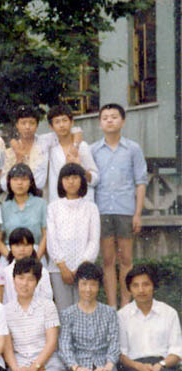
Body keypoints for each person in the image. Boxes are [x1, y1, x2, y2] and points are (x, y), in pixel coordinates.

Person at [92, 103, 149, 308]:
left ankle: (126, 304)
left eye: (114, 117)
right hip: (102, 210)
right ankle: (111, 306)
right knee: (108, 261)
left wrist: (137, 214)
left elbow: (141, 182)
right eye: (105, 117)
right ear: (100, 123)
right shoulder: (93, 150)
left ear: (123, 121)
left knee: (126, 260)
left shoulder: (133, 149)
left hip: (126, 211)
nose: (110, 120)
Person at [47, 163, 100, 312]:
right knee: (63, 311)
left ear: (82, 180)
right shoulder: (53, 207)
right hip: (58, 269)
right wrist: (62, 266)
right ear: (61, 181)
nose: (71, 182)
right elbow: (52, 239)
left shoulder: (91, 208)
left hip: (83, 270)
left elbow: (93, 240)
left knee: (84, 311)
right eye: (67, 178)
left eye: (75, 177)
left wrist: (81, 267)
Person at [45, 104, 98, 203]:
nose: (61, 125)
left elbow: (95, 179)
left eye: (65, 120)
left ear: (72, 122)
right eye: (57, 122)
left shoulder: (82, 146)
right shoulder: (50, 148)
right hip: (59, 203)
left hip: (83, 202)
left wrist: (80, 168)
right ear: (51, 127)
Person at [0, 164, 46, 263]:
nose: (19, 183)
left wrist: (36, 258)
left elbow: (46, 236)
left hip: (36, 255)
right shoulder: (4, 207)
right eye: (15, 179)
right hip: (9, 256)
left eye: (24, 179)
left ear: (31, 182)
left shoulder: (41, 204)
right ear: (9, 182)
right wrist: (11, 257)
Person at [0, 106, 49, 191]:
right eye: (23, 123)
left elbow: (39, 182)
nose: (27, 127)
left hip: (39, 195)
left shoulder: (45, 146)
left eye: (32, 123)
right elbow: (4, 185)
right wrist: (19, 159)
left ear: (37, 125)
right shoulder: (10, 152)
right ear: (17, 125)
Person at [2, 228, 53, 305]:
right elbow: (4, 299)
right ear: (10, 247)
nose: (22, 249)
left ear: (32, 247)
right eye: (17, 245)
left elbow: (47, 298)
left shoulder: (43, 271)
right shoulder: (5, 272)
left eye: (26, 245)